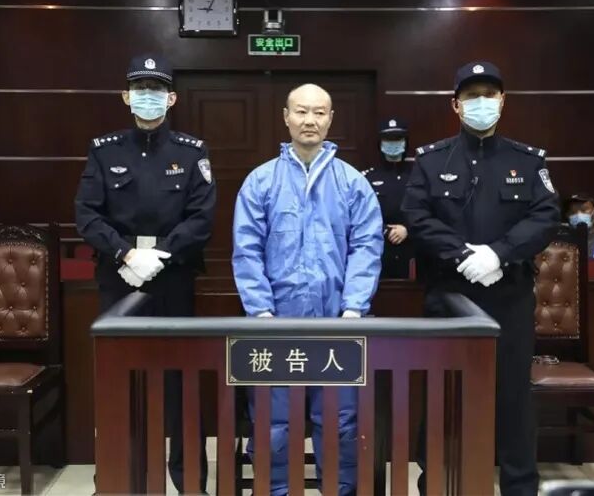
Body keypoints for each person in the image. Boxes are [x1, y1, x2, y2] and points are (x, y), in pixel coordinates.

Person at [402, 61, 560, 496]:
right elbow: (417, 216)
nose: (481, 103)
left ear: (503, 101)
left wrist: (498, 254)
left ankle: (519, 487)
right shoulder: (432, 160)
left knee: (513, 397)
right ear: (455, 105)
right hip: (450, 295)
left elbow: (546, 216)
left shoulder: (527, 160)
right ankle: (437, 484)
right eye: (472, 96)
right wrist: (462, 256)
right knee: (444, 395)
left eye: (489, 95)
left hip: (509, 295)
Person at [232, 83, 383, 496]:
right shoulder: (261, 181)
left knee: (340, 423)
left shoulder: (352, 183)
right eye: (301, 111)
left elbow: (367, 247)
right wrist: (260, 311)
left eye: (319, 112)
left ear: (331, 119)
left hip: (338, 326)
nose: (310, 120)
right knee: (273, 424)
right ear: (286, 117)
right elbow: (246, 249)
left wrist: (354, 308)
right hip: (274, 327)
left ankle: (340, 490)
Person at [74, 53, 215, 493]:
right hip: (118, 279)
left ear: (171, 98)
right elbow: (87, 213)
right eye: (140, 89)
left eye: (156, 89)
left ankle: (189, 481)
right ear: (126, 96)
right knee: (119, 381)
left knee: (181, 383)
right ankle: (117, 479)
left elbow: (201, 217)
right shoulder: (105, 150)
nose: (147, 96)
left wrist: (161, 255)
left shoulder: (192, 151)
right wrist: (125, 254)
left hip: (173, 279)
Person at [362, 118, 414, 278]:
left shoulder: (418, 175)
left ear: (405, 142)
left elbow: (431, 211)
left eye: (397, 139)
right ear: (380, 143)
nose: (393, 144)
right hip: (379, 250)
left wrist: (408, 229)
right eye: (388, 140)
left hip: (412, 251)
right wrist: (385, 229)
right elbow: (360, 215)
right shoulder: (367, 178)